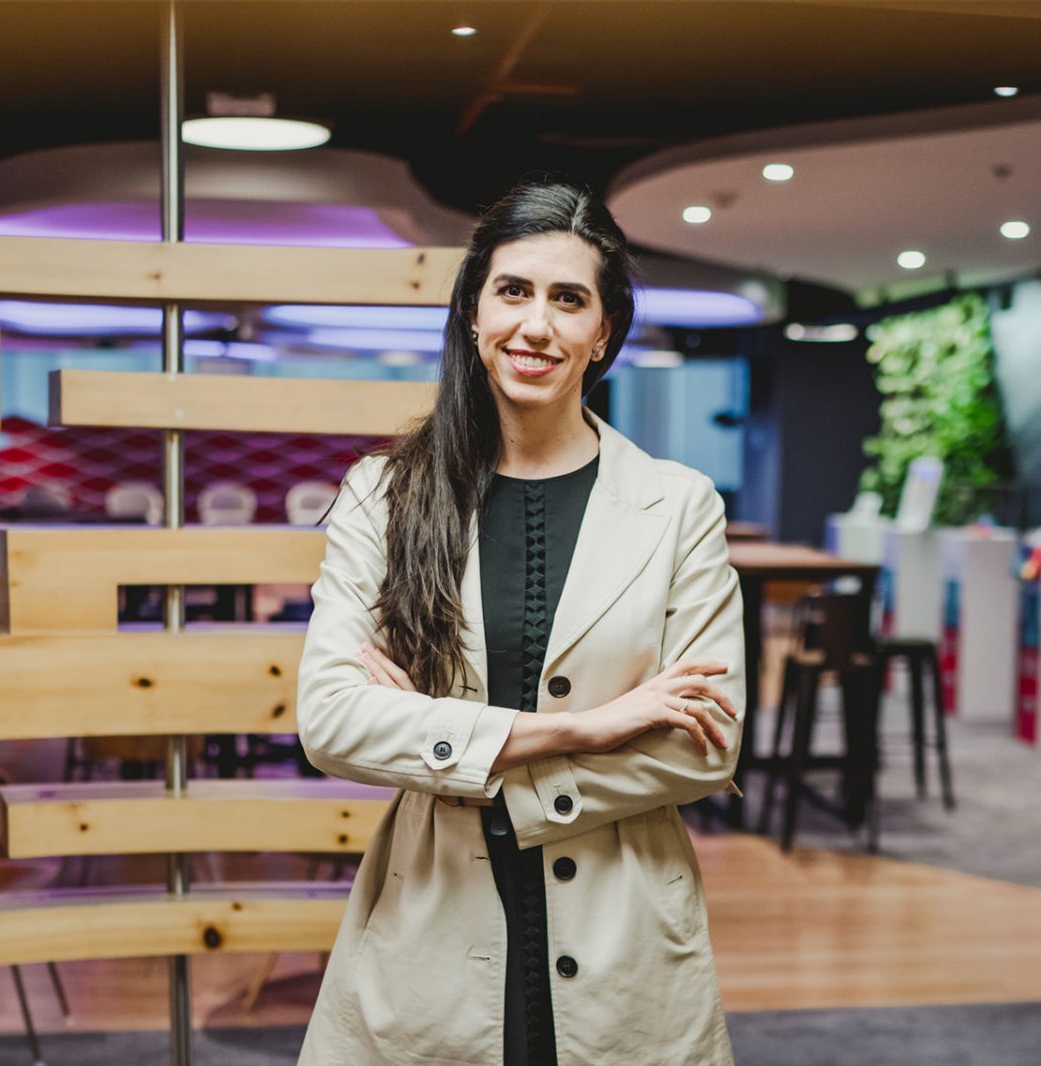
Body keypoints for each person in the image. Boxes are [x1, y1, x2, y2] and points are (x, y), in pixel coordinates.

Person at [296, 180, 744, 1066]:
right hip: (429, 923)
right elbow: (333, 720)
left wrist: (466, 754)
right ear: (473, 313)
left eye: (568, 299)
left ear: (601, 333)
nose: (536, 326)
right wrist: (588, 727)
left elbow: (704, 743)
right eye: (514, 292)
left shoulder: (679, 505)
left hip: (626, 933)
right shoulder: (384, 496)